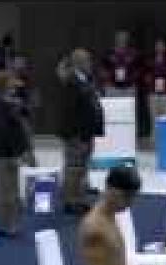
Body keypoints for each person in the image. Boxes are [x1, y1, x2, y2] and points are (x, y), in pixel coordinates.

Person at [58, 49, 104, 216]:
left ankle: (80, 197)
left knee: (82, 167)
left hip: (86, 132)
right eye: (87, 61)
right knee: (74, 167)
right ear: (79, 63)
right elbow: (71, 111)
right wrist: (77, 135)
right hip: (76, 134)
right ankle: (70, 200)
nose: (90, 64)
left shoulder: (85, 80)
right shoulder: (72, 81)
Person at [0, 71, 29, 238]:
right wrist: (18, 152)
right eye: (11, 83)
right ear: (4, 84)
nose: (14, 85)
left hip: (9, 153)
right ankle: (3, 225)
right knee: (4, 191)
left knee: (11, 190)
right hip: (3, 153)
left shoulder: (8, 103)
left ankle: (11, 223)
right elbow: (6, 131)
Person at [102, 30, 139, 96]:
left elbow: (137, 69)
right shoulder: (109, 52)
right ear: (116, 39)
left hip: (129, 86)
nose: (121, 40)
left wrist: (133, 81)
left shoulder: (133, 53)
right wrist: (107, 80)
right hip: (112, 86)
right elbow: (103, 68)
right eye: (120, 38)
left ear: (127, 40)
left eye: (123, 38)